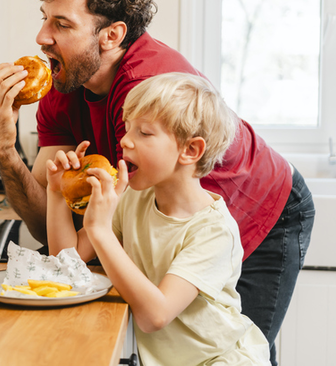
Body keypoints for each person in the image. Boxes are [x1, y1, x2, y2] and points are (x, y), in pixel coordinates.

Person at [0, 0, 315, 365]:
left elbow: (153, 306)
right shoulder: (67, 94)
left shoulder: (148, 94)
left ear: (112, 35)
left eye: (62, 24)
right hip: (165, 217)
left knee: (219, 338)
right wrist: (5, 146)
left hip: (262, 210)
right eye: (44, 19)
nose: (42, 37)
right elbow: (61, 248)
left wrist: (99, 231)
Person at [46, 73, 270, 365]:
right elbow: (66, 265)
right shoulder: (133, 199)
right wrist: (55, 191)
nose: (124, 140)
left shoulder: (213, 231)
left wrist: (100, 230)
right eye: (127, 128)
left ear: (190, 150)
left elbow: (156, 315)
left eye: (144, 132)